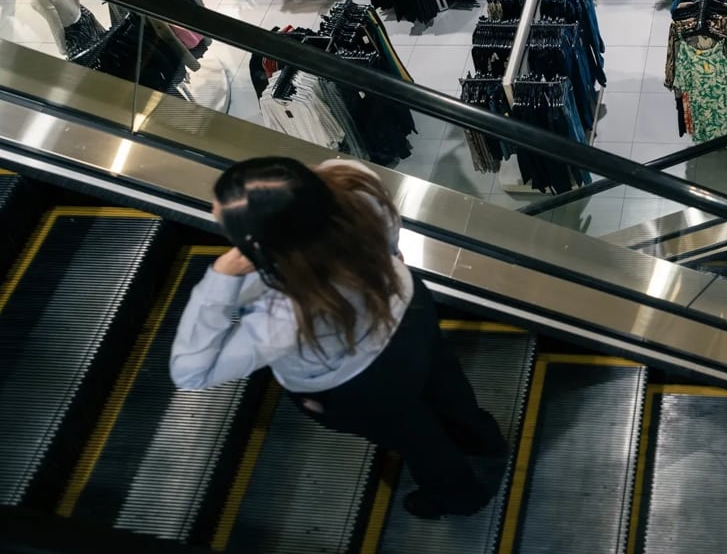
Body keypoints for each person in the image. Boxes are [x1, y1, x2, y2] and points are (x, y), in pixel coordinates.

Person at [169, 156, 506, 519]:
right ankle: (484, 441)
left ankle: (461, 496)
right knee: (446, 385)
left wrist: (220, 277)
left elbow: (191, 371)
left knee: (417, 436)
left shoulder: (282, 310)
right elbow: (392, 241)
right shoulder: (352, 182)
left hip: (357, 382)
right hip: (408, 307)